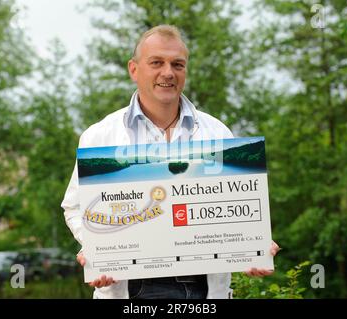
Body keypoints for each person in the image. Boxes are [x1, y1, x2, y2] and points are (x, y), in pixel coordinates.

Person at [61, 24, 280, 299]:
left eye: (178, 64)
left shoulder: (217, 132)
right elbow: (74, 207)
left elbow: (234, 209)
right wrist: (95, 247)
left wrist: (253, 244)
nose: (168, 73)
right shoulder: (99, 136)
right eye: (157, 62)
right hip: (130, 288)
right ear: (134, 69)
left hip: (204, 290)